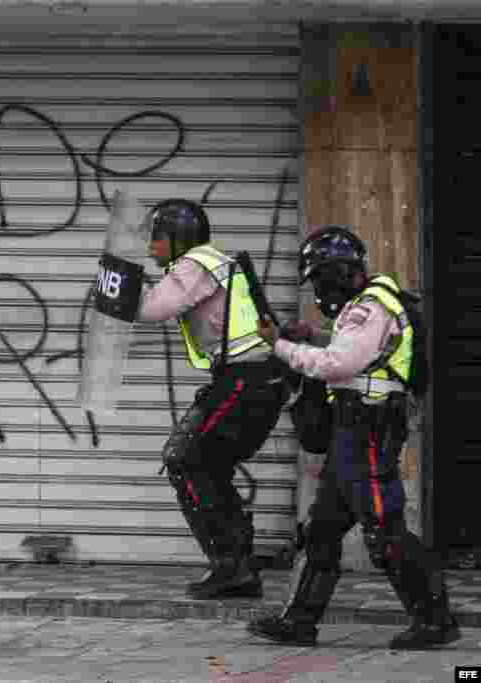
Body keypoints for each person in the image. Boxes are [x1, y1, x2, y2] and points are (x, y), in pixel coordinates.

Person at [247, 225, 459, 650]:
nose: (319, 290)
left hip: (367, 429)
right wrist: (310, 337)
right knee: (322, 530)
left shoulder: (370, 307)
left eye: (320, 279)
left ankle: (435, 620)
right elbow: (358, 354)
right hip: (352, 429)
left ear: (336, 273)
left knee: (384, 528)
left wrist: (282, 348)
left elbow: (339, 364)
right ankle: (299, 621)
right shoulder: (368, 306)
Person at [136, 198, 290, 599]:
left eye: (157, 238)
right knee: (208, 465)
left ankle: (232, 565)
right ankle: (237, 566)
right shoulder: (207, 263)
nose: (151, 247)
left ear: (178, 239)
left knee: (186, 459)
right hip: (252, 378)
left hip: (246, 377)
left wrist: (116, 286)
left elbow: (155, 307)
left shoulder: (197, 263)